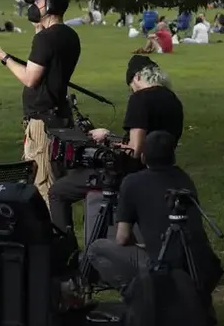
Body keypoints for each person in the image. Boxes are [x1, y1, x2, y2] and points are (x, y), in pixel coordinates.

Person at [48, 55, 184, 234]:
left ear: (136, 77)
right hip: (162, 168)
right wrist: (111, 136)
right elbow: (149, 139)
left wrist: (108, 142)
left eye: (131, 86)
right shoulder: (173, 99)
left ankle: (65, 248)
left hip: (130, 173)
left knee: (58, 191)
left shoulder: (140, 99)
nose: (132, 91)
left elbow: (134, 151)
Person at [86, 131, 224, 296]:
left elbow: (122, 238)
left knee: (96, 248)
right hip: (199, 265)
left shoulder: (132, 182)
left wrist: (139, 246)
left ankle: (139, 296)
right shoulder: (184, 178)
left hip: (163, 266)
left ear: (143, 157)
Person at [0, 0, 82, 204]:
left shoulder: (45, 39)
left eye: (37, 2)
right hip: (60, 115)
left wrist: (3, 57)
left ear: (49, 5)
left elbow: (30, 78)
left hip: (43, 121)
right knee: (57, 180)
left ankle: (50, 234)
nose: (34, 7)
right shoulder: (69, 35)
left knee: (43, 183)